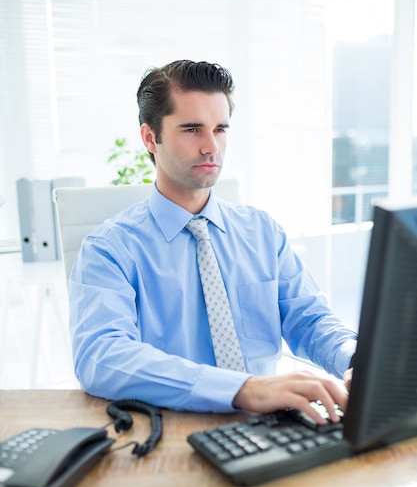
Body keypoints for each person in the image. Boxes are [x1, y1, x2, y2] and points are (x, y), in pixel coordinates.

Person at [69, 59, 357, 425]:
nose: (211, 147)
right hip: (173, 432)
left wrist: (358, 358)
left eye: (220, 129)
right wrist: (243, 389)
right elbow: (101, 355)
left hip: (271, 427)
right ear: (149, 137)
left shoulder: (261, 232)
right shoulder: (109, 249)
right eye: (192, 130)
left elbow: (310, 319)